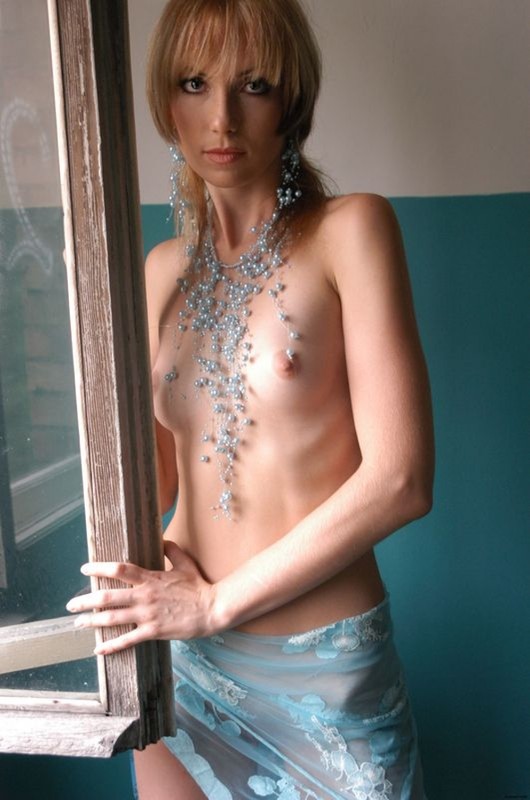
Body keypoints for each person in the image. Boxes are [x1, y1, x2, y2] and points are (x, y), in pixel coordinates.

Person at [66, 0, 434, 797]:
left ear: (290, 98)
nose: (221, 117)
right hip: (183, 660)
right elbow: (154, 482)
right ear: (165, 100)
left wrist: (215, 605)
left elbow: (402, 480)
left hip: (324, 672)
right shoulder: (160, 271)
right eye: (194, 84)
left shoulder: (352, 231)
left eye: (253, 85)